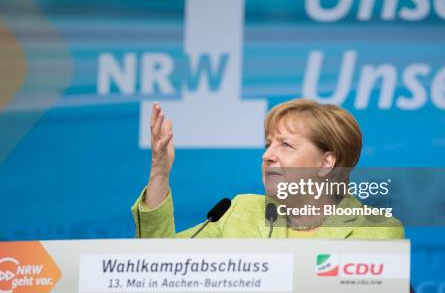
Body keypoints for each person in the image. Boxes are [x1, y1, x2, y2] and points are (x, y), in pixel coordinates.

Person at [131, 99, 404, 239]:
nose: (267, 156)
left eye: (285, 145)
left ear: (326, 163)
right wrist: (160, 171)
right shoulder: (238, 212)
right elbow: (160, 264)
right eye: (268, 145)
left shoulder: (376, 231)